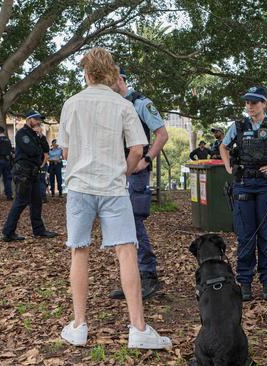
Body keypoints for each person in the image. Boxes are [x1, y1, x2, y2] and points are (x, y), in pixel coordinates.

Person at [58, 48, 171, 349]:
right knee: (126, 251)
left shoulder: (72, 104)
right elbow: (137, 148)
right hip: (113, 187)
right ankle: (138, 327)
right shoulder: (122, 105)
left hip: (80, 187)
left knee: (79, 251)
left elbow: (66, 151)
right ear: (110, 73)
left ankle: (79, 324)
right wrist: (124, 173)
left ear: (87, 73)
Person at [219, 86, 267, 301]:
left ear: (264, 103)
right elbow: (224, 147)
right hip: (243, 182)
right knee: (245, 235)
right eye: (247, 102)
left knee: (266, 233)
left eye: (255, 102)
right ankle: (245, 282)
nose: (250, 106)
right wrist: (228, 167)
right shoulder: (238, 126)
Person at [108, 67, 169, 301]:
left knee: (133, 222)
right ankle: (130, 279)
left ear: (120, 79)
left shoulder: (141, 103)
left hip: (136, 171)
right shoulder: (111, 103)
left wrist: (146, 159)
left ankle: (147, 275)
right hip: (116, 171)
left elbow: (162, 134)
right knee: (120, 224)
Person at [0, 111, 57, 242]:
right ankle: (8, 233)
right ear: (29, 120)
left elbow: (46, 150)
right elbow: (32, 151)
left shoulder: (36, 135)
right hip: (23, 173)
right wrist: (41, 151)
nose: (38, 122)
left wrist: (42, 137)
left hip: (34, 172)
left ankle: (39, 230)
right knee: (21, 202)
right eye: (36, 119)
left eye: (39, 120)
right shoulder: (22, 134)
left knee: (37, 202)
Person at [33, 123, 50, 203]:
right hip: (34, 164)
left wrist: (42, 165)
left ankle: (43, 197)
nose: (37, 129)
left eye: (38, 127)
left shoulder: (43, 140)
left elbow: (46, 155)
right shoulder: (33, 138)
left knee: (41, 181)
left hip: (42, 164)